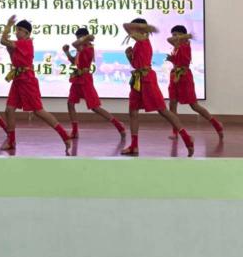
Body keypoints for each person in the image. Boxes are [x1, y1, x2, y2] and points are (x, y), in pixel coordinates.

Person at [121, 18, 194, 157]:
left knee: (162, 110)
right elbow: (136, 65)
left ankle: (186, 137)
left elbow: (126, 25)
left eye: (136, 29)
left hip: (147, 79)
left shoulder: (143, 39)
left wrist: (143, 27)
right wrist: (129, 57)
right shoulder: (139, 43)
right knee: (133, 112)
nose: (132, 32)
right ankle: (134, 145)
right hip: (137, 79)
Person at [0, 15, 71, 155]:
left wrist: (8, 25)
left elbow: (3, 41)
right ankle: (11, 140)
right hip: (18, 79)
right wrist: (9, 43)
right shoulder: (19, 43)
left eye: (19, 30)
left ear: (27, 33)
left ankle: (64, 135)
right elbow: (8, 47)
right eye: (16, 29)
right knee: (9, 110)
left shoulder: (25, 43)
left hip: (27, 80)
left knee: (38, 111)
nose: (17, 32)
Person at [62, 27, 126, 139]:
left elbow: (75, 44)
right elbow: (74, 61)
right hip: (77, 79)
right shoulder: (81, 47)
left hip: (85, 80)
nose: (77, 40)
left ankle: (118, 125)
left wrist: (85, 38)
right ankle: (75, 131)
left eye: (79, 37)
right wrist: (67, 52)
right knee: (70, 104)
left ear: (84, 37)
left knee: (95, 107)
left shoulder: (88, 48)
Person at [166, 25, 223, 140]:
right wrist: (172, 60)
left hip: (184, 76)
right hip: (174, 76)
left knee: (194, 105)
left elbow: (169, 40)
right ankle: (175, 131)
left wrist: (185, 37)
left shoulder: (186, 44)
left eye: (176, 34)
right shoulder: (176, 47)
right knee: (172, 105)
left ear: (182, 35)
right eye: (173, 35)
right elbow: (177, 59)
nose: (174, 37)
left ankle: (216, 124)